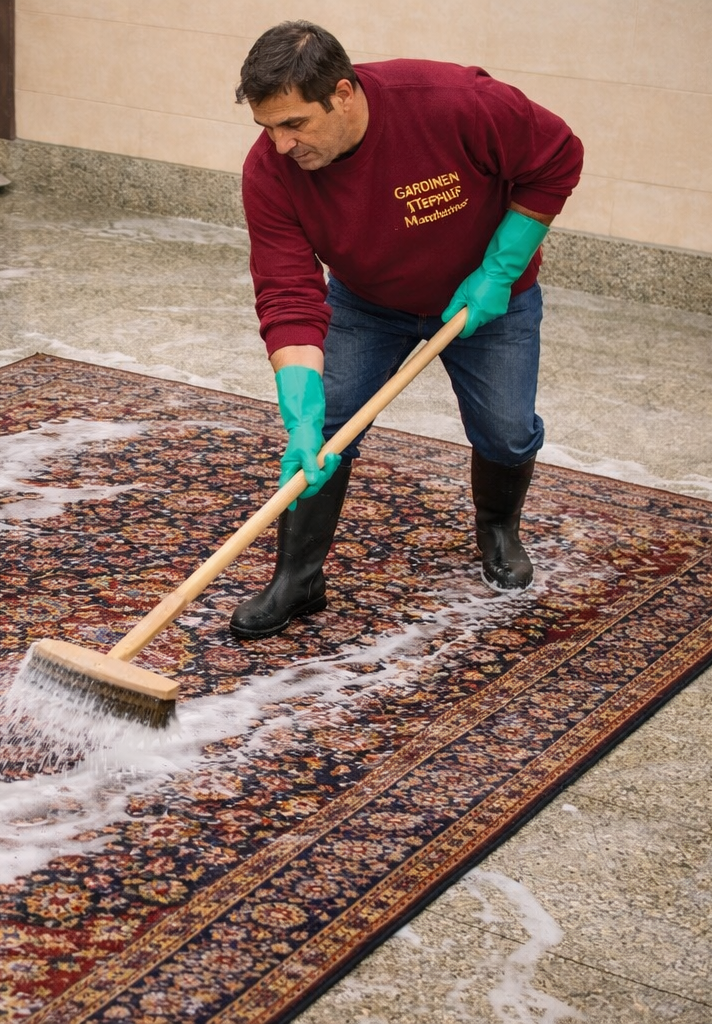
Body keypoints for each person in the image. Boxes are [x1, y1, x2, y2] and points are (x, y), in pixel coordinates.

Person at [230, 21, 583, 639]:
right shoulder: (270, 171)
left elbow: (557, 156)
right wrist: (301, 405)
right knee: (329, 425)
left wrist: (502, 267)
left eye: (294, 124)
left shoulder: (455, 104)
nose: (281, 144)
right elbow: (288, 290)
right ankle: (298, 576)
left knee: (505, 429)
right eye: (268, 128)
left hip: (486, 300)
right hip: (367, 301)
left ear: (342, 93)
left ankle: (498, 529)